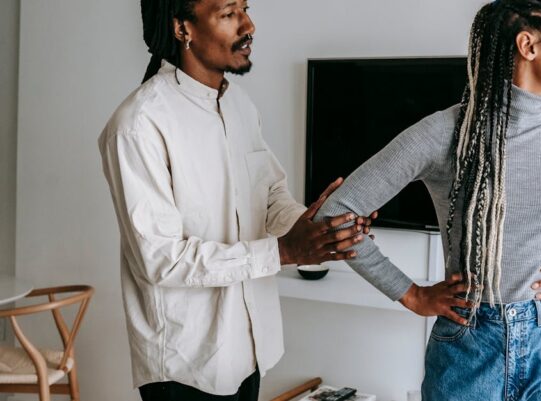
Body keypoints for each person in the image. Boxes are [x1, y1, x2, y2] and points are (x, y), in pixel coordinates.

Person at [314, 1, 541, 400]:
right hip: (466, 347)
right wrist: (411, 294)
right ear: (529, 46)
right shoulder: (443, 134)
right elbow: (336, 212)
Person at [98, 0, 374, 399]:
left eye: (245, 8)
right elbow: (163, 260)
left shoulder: (240, 106)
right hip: (186, 364)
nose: (249, 25)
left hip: (249, 348)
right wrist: (284, 252)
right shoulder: (138, 125)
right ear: (182, 29)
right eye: (229, 13)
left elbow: (270, 196)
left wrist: (316, 227)